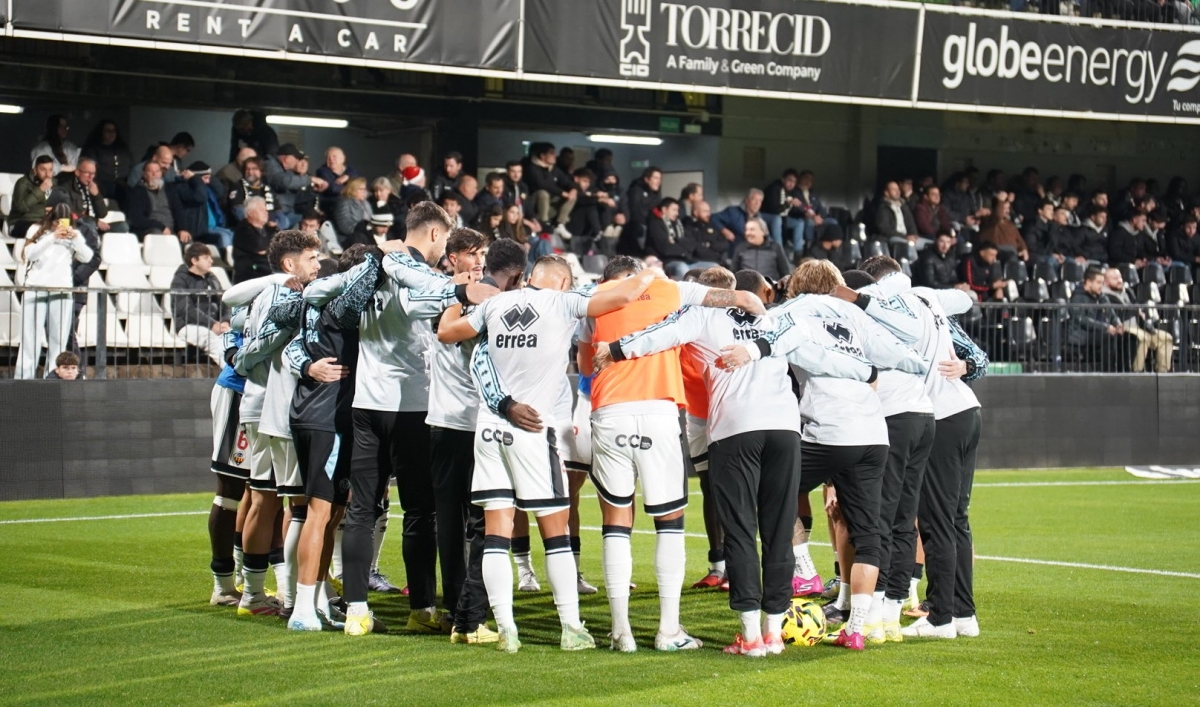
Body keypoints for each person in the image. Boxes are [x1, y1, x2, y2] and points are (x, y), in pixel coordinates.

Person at [436, 256, 661, 653]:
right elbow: (624, 293)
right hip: (532, 430)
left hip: (489, 431)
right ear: (562, 281)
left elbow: (447, 331)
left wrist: (457, 291)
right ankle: (571, 628)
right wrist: (651, 273)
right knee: (555, 533)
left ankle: (506, 628)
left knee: (494, 535)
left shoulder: (496, 304)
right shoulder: (563, 302)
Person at [716, 260, 930, 651]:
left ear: (797, 285)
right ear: (835, 284)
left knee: (773, 498)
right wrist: (905, 365)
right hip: (872, 434)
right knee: (869, 531)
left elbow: (776, 340)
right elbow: (897, 352)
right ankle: (858, 628)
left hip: (824, 431)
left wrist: (749, 349)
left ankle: (798, 576)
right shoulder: (855, 314)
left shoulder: (792, 312)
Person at [581, 257, 765, 653]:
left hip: (609, 412)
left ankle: (620, 632)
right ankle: (668, 631)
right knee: (669, 523)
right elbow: (743, 298)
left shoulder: (592, 298)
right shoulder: (671, 289)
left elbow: (583, 364)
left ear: (607, 278)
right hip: (659, 413)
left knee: (616, 523)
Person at [339, 202, 499, 636]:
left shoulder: (368, 268)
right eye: (445, 241)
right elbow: (419, 305)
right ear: (433, 234)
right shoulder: (411, 273)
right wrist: (461, 290)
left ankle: (355, 609)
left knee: (361, 510)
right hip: (409, 406)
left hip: (364, 403)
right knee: (419, 511)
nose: (444, 249)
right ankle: (423, 608)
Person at [841, 257, 976, 643]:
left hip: (934, 412)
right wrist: (967, 365)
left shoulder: (881, 304)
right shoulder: (926, 298)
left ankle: (940, 618)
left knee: (927, 521)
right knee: (952, 520)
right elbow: (966, 300)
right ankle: (961, 613)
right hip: (960, 409)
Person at [283, 243, 396, 631]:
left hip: (318, 411)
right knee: (319, 512)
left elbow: (290, 341)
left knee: (331, 514)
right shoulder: (341, 306)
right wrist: (383, 254)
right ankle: (300, 609)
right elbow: (367, 279)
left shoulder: (309, 304)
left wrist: (302, 363)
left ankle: (318, 601)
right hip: (326, 415)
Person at [427, 235, 528, 644]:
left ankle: (455, 606)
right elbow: (448, 335)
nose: (477, 263)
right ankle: (471, 614)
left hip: (442, 421)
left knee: (449, 521)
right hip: (478, 423)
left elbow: (442, 330)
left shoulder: (449, 299)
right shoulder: (497, 306)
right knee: (484, 522)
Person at [227, 230, 324, 618]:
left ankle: (253, 593)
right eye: (312, 258)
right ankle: (290, 594)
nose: (318, 265)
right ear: (290, 264)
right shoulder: (286, 296)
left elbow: (233, 312)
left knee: (261, 496)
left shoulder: (262, 294)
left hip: (256, 403)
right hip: (275, 403)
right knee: (293, 503)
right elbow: (257, 349)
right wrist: (243, 359)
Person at [15, 202, 94, 379]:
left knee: (58, 342)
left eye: (64, 222)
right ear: (52, 219)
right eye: (58, 222)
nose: (60, 226)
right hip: (35, 290)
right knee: (30, 341)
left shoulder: (74, 235)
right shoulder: (37, 230)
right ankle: (22, 383)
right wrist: (51, 237)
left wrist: (76, 239)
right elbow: (29, 255)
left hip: (62, 291)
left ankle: (52, 383)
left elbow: (87, 257)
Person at [1102, 267, 1173, 373]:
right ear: (1106, 282)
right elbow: (1117, 315)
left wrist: (1137, 313)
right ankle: (1136, 371)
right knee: (1142, 338)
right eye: (1115, 278)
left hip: (1139, 325)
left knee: (1166, 338)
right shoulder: (1104, 296)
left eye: (1120, 277)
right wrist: (1134, 311)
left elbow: (1136, 309)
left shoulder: (1128, 292)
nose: (1119, 280)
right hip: (1123, 327)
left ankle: (1162, 373)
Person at [171, 243, 231, 365]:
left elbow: (224, 301)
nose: (211, 261)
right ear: (194, 260)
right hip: (187, 325)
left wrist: (225, 321)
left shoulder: (211, 277)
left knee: (236, 336)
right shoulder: (180, 280)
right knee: (211, 338)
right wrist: (212, 324)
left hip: (215, 324)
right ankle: (234, 375)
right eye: (206, 257)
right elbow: (186, 309)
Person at [1068, 268, 1133, 371]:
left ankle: (1125, 371)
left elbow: (1112, 315)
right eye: (1098, 282)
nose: (1101, 286)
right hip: (1081, 334)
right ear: (1089, 282)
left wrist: (1118, 324)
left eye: (1102, 283)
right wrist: (1105, 327)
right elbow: (1082, 320)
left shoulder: (1101, 297)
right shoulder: (1077, 298)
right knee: (1108, 336)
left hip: (1098, 332)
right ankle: (1108, 371)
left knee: (1127, 336)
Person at [265, 144, 327, 230]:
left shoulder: (289, 172)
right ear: (286, 159)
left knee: (313, 222)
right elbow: (283, 182)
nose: (298, 162)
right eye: (296, 159)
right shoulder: (270, 164)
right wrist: (310, 179)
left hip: (289, 211)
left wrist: (313, 190)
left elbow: (297, 197)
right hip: (274, 212)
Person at [524, 143, 576, 242]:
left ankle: (560, 223)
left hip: (550, 206)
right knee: (543, 193)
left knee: (573, 195)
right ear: (543, 155)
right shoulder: (531, 168)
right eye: (551, 153)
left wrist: (573, 189)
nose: (555, 155)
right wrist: (562, 193)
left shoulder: (554, 169)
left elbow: (567, 182)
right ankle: (544, 223)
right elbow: (541, 184)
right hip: (535, 206)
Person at [176, 163, 234, 250]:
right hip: (200, 229)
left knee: (231, 234)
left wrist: (209, 173)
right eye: (205, 178)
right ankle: (225, 261)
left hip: (213, 226)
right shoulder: (184, 187)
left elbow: (220, 191)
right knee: (224, 237)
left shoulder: (206, 188)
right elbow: (200, 197)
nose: (208, 181)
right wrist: (194, 178)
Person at [126, 161, 188, 241]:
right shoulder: (137, 192)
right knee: (157, 235)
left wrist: (182, 228)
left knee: (187, 240)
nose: (154, 174)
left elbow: (178, 210)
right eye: (150, 172)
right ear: (144, 174)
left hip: (172, 229)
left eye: (157, 171)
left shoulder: (170, 189)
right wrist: (161, 227)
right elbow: (137, 219)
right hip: (150, 230)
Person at [56, 157, 115, 234]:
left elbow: (102, 214)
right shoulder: (67, 188)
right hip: (77, 226)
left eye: (93, 173)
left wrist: (96, 195)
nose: (91, 177)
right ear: (77, 172)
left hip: (93, 224)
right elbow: (71, 215)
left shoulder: (93, 185)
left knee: (123, 226)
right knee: (90, 225)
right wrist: (95, 221)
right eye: (87, 173)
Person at [80, 119, 134, 201]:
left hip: (123, 185)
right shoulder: (92, 148)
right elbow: (93, 169)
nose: (111, 133)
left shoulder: (123, 149)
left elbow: (130, 166)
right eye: (108, 131)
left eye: (113, 131)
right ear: (101, 132)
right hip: (103, 185)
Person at [8, 156, 56, 238]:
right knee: (41, 232)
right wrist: (40, 190)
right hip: (21, 222)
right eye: (43, 170)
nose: (47, 174)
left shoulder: (54, 183)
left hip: (43, 222)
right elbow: (21, 207)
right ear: (35, 170)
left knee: (63, 231)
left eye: (50, 170)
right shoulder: (23, 183)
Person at [644, 197, 692, 278]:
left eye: (677, 210)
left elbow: (691, 243)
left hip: (686, 259)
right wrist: (683, 250)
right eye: (674, 210)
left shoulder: (678, 224)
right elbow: (664, 248)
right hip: (666, 261)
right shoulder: (655, 224)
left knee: (712, 266)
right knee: (683, 268)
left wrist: (677, 241)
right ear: (664, 209)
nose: (677, 213)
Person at [232, 197, 276, 283]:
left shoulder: (270, 229)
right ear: (250, 213)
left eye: (265, 210)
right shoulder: (243, 229)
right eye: (261, 210)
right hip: (250, 275)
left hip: (267, 271)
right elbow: (259, 246)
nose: (266, 212)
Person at [620, 167, 663, 255]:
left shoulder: (656, 194)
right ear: (647, 179)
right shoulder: (636, 190)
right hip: (637, 230)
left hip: (650, 227)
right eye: (655, 178)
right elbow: (635, 211)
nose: (659, 181)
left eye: (660, 178)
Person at [732, 218, 790, 282]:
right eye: (747, 230)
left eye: (752, 229)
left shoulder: (775, 247)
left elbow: (785, 272)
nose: (748, 233)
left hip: (770, 288)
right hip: (746, 289)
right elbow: (733, 273)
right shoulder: (740, 248)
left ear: (763, 231)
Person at [226, 157, 278, 225]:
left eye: (254, 169)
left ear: (261, 171)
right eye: (247, 169)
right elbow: (238, 210)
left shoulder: (267, 189)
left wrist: (275, 224)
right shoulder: (237, 186)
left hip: (268, 225)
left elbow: (278, 211)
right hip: (244, 227)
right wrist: (257, 225)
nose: (250, 172)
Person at [762, 169, 801, 248]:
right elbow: (774, 210)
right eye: (790, 180)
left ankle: (798, 250)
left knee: (799, 223)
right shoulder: (774, 189)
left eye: (794, 182)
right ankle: (779, 249)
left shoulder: (793, 191)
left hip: (783, 218)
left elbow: (796, 209)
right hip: (767, 216)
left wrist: (800, 207)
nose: (791, 184)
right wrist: (787, 204)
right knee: (777, 218)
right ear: (783, 179)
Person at [315, 147, 358, 215]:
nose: (331, 159)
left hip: (351, 206)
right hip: (331, 207)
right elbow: (333, 188)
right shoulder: (322, 171)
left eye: (334, 157)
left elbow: (357, 182)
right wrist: (352, 191)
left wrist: (347, 176)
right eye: (328, 157)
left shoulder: (350, 170)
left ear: (343, 159)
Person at [684, 201, 729, 267]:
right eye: (705, 211)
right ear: (695, 213)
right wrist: (716, 252)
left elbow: (725, 244)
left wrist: (710, 245)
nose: (708, 214)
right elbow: (697, 250)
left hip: (718, 262)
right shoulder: (689, 228)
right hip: (698, 263)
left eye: (709, 211)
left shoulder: (712, 226)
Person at [874, 181, 919, 245]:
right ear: (886, 193)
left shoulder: (904, 206)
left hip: (908, 238)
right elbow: (884, 228)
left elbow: (912, 224)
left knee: (930, 244)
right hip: (891, 238)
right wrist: (905, 237)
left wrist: (914, 235)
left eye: (898, 189)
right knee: (909, 245)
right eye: (894, 189)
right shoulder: (883, 207)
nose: (897, 192)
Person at [334, 178, 372, 247]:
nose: (365, 191)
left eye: (365, 189)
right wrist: (360, 228)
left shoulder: (365, 203)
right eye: (361, 189)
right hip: (349, 238)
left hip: (365, 235)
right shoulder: (344, 202)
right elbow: (344, 226)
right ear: (353, 190)